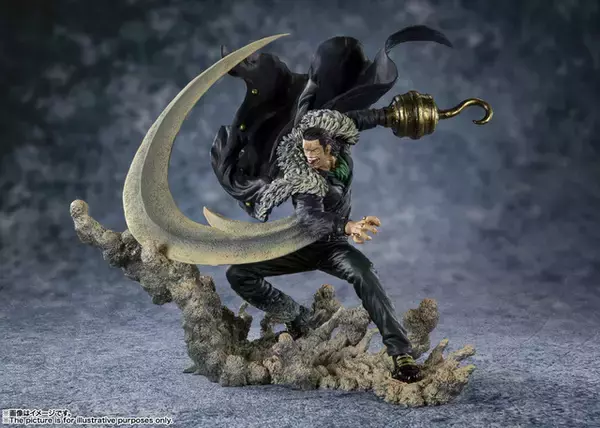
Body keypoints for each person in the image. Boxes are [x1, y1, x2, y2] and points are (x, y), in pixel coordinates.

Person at [211, 26, 453, 383]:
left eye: (314, 152)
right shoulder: (302, 176)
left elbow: (355, 119)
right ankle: (299, 319)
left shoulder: (339, 149)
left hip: (334, 249)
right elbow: (310, 220)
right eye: (305, 152)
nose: (309, 158)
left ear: (332, 147)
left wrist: (393, 117)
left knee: (366, 276)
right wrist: (348, 226)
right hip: (300, 242)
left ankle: (401, 355)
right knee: (238, 274)